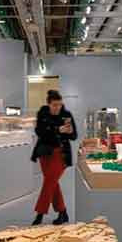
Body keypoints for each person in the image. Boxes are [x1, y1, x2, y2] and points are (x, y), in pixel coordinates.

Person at [31, 89, 77, 225]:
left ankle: (39, 214)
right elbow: (40, 132)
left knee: (49, 182)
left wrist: (70, 131)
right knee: (52, 183)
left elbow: (74, 136)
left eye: (60, 104)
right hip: (45, 153)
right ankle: (63, 212)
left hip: (61, 154)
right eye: (55, 105)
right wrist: (57, 130)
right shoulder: (43, 113)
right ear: (49, 104)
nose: (58, 107)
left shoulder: (67, 115)